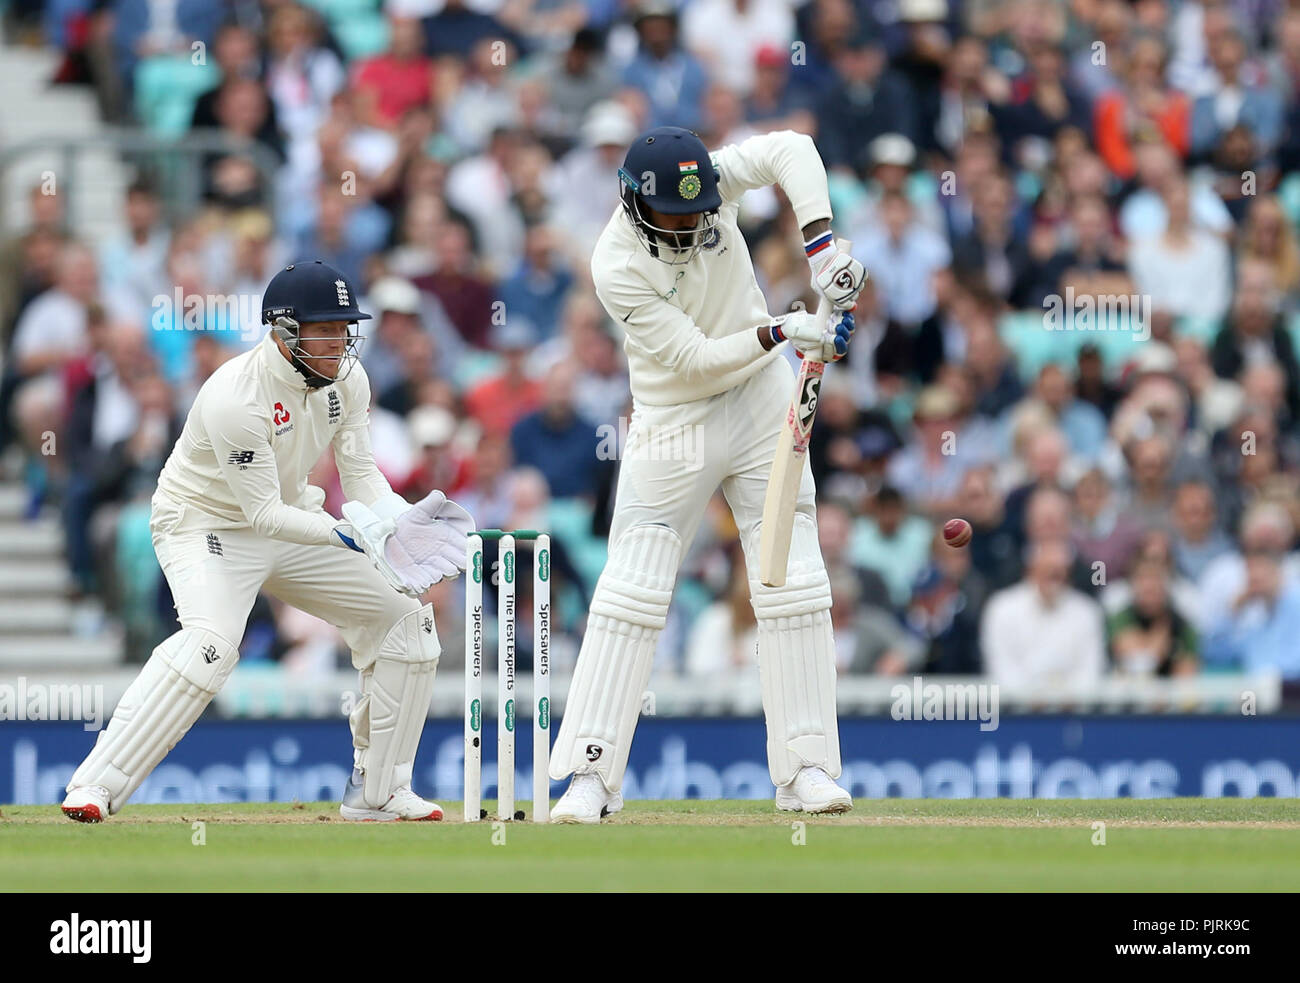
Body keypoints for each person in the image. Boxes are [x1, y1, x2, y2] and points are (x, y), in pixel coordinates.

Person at [61, 261, 473, 824]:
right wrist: (360, 536)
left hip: (292, 517)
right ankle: (95, 786)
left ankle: (379, 793)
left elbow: (359, 476)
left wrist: (399, 523)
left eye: (343, 328)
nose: (338, 342)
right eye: (324, 329)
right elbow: (261, 514)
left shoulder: (348, 380)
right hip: (205, 525)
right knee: (211, 646)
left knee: (407, 624)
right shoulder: (237, 396)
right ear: (283, 331)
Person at [547, 126, 864, 822]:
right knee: (633, 589)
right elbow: (692, 359)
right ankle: (590, 775)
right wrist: (787, 331)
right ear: (634, 203)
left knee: (794, 574)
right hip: (673, 420)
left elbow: (793, 148)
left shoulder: (709, 185)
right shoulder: (615, 262)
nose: (691, 225)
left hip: (760, 403)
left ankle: (806, 768)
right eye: (674, 215)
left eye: (701, 212)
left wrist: (821, 248)